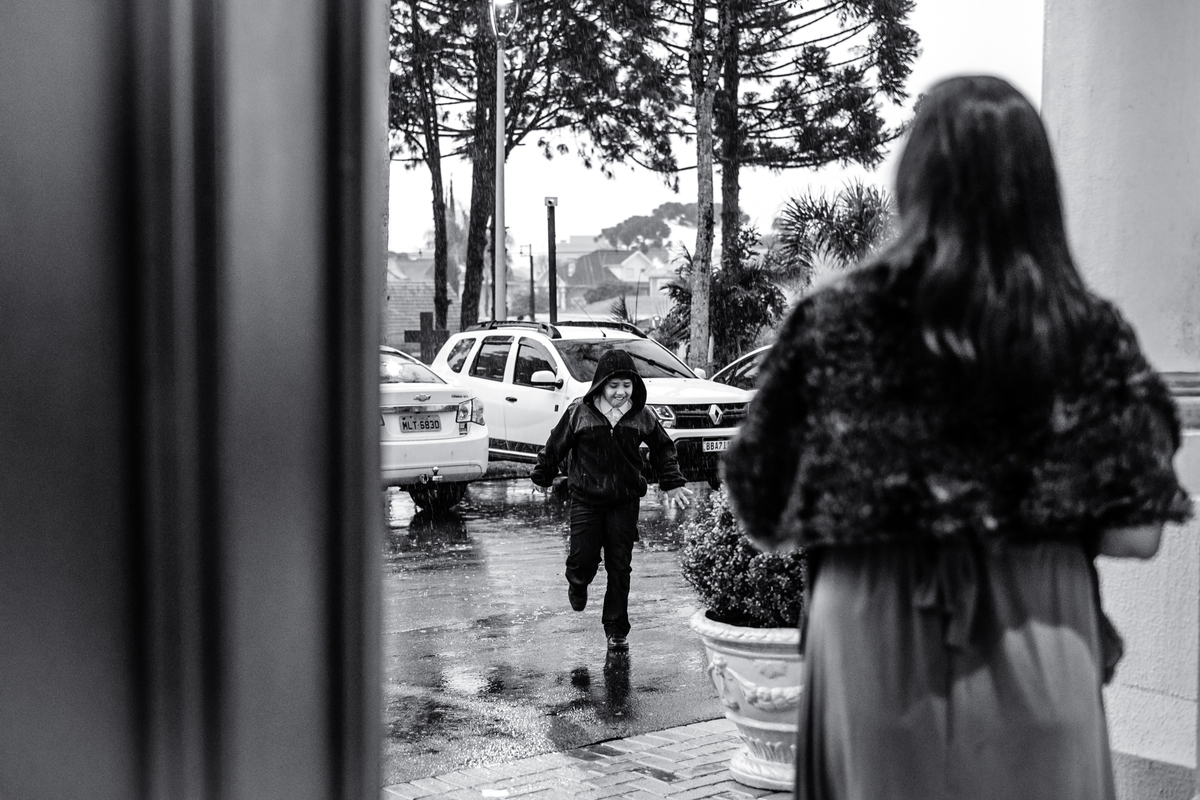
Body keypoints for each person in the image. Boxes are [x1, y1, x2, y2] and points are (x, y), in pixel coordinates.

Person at [722, 75, 1193, 800]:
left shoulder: (834, 323)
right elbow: (1137, 534)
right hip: (1039, 628)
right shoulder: (1084, 333)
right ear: (1038, 189)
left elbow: (761, 504)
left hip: (868, 637)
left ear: (914, 178)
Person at [531, 348, 694, 651]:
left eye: (627, 385)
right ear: (600, 385)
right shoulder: (579, 412)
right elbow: (556, 444)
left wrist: (672, 482)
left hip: (625, 501)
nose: (621, 392)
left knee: (620, 566)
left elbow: (663, 448)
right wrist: (543, 474)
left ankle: (616, 629)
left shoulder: (641, 415)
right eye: (614, 385)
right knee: (583, 558)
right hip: (586, 499)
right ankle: (578, 581)